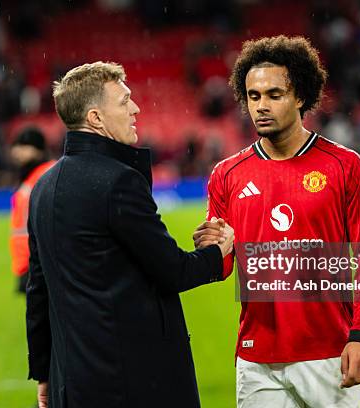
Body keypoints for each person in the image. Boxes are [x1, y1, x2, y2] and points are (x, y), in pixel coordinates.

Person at [26, 62, 234, 408]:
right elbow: (172, 271)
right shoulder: (118, 182)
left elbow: (38, 290)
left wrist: (43, 372)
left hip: (72, 381)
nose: (135, 108)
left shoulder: (42, 188)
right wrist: (217, 252)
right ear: (96, 118)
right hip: (133, 380)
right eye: (124, 101)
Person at [193, 35, 360, 407]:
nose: (261, 106)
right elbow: (223, 266)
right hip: (257, 360)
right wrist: (211, 249)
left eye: (274, 94)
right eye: (253, 96)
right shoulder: (226, 175)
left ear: (300, 97)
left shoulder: (344, 165)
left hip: (331, 354)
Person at [9, 127, 55, 293]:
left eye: (24, 146)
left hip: (40, 259)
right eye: (16, 146)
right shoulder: (30, 175)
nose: (17, 151)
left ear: (38, 150)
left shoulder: (47, 173)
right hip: (28, 259)